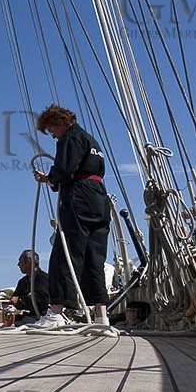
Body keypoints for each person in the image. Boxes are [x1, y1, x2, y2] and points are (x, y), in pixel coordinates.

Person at [30, 105, 114, 334]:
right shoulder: (91, 141)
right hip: (99, 199)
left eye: (52, 130)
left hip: (79, 199)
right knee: (94, 258)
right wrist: (53, 178)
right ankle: (101, 317)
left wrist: (50, 178)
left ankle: (56, 312)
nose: (53, 135)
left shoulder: (70, 137)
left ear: (60, 123)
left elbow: (65, 170)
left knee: (65, 253)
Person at [10, 249, 48, 324]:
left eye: (20, 262)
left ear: (29, 262)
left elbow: (43, 301)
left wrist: (20, 301)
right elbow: (15, 298)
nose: (18, 265)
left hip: (43, 317)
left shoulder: (43, 279)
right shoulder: (23, 282)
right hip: (30, 315)